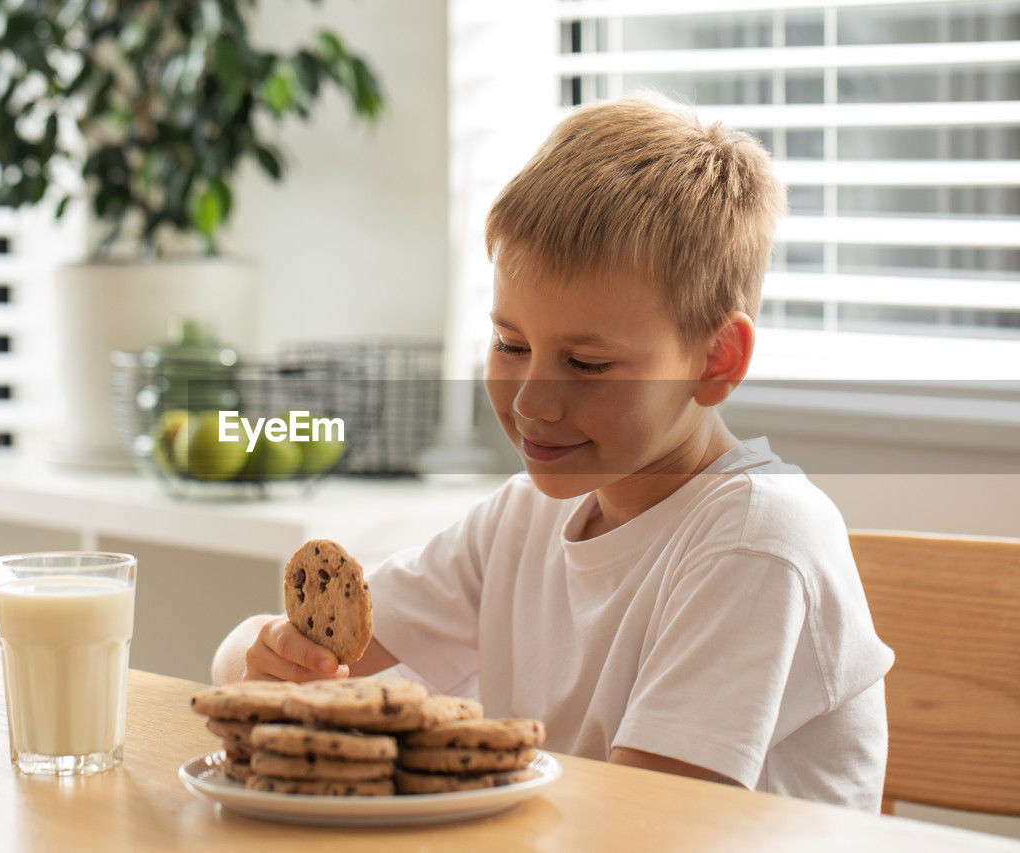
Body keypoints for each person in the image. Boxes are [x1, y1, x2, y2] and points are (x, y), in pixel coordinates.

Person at [211, 93, 894, 810]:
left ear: (715, 358)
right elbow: (286, 669)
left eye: (589, 364)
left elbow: (638, 824)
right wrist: (268, 654)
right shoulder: (519, 519)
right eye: (511, 344)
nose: (532, 400)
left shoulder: (757, 542)